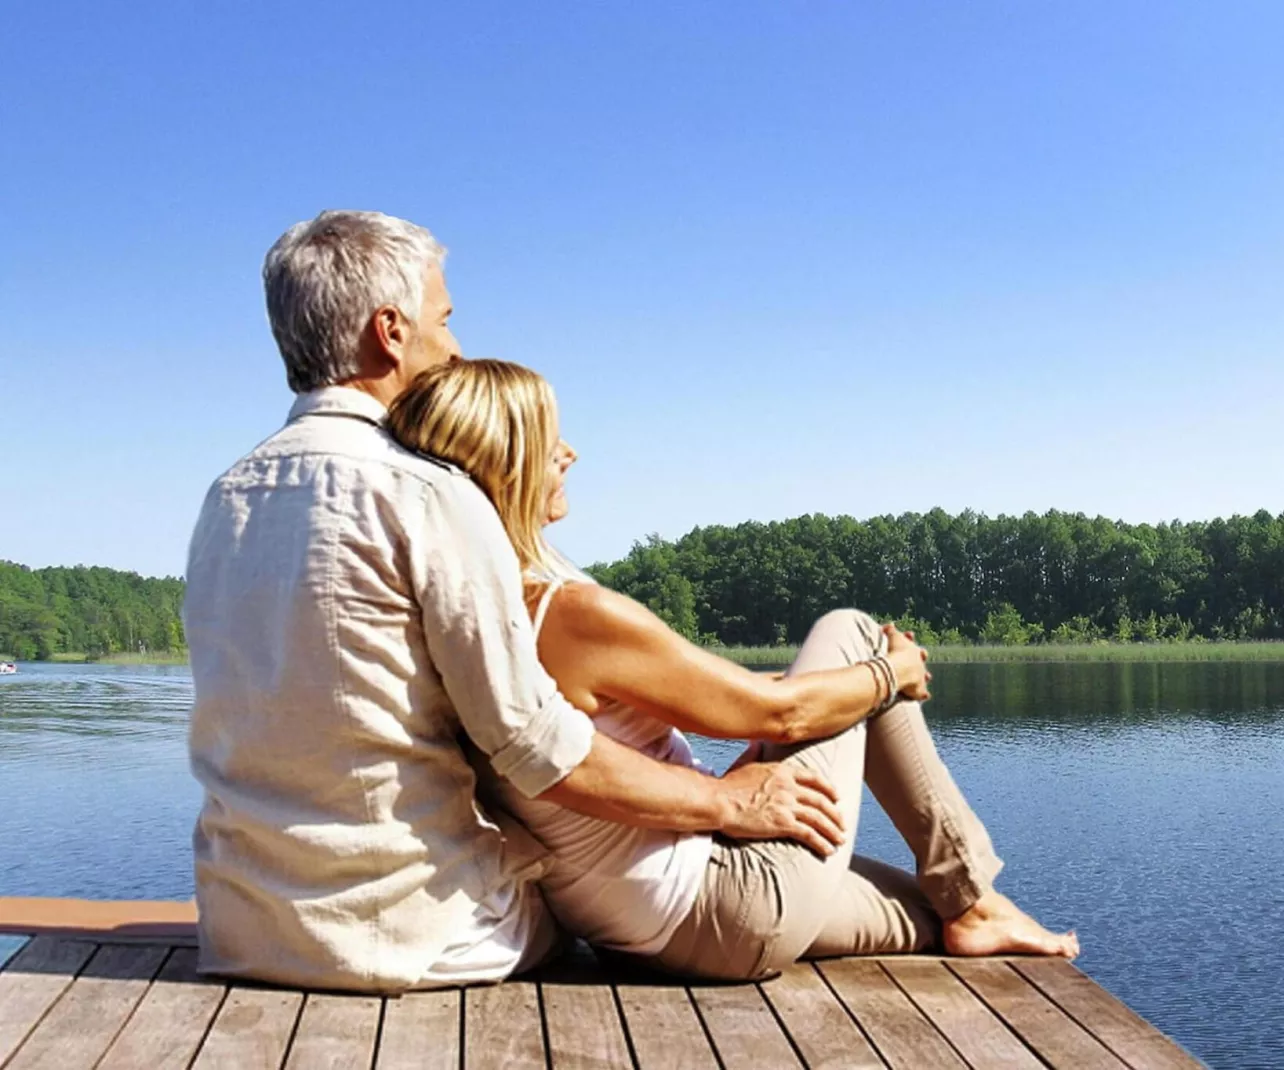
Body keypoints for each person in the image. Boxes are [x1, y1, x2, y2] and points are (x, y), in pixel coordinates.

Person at [185, 211, 848, 992]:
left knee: (846, 904)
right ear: (390, 331)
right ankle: (961, 897)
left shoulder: (225, 498)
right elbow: (535, 746)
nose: (456, 346)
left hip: (243, 927)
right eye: (446, 319)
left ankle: (954, 903)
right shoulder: (426, 492)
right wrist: (726, 802)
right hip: (414, 934)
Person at [389, 359, 1079, 980]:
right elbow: (779, 714)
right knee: (854, 631)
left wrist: (849, 695)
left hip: (631, 930)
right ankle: (972, 890)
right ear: (502, 462)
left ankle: (967, 907)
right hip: (720, 902)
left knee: (931, 917)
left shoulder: (468, 620)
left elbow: (745, 699)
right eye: (550, 438)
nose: (569, 452)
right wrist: (890, 673)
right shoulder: (570, 615)